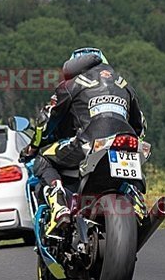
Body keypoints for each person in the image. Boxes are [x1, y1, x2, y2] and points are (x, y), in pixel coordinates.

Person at [21, 47, 146, 235]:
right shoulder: (123, 84)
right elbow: (140, 124)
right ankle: (136, 201)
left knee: (43, 158)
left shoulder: (71, 85)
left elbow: (45, 120)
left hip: (89, 142)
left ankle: (59, 206)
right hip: (125, 140)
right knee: (132, 155)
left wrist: (33, 146)